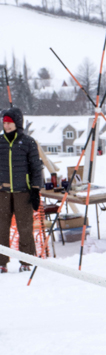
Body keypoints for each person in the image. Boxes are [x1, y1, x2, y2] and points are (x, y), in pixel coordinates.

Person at [0, 107, 43, 274]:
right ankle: (2, 262)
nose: (7, 126)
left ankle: (26, 261)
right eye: (4, 123)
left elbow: (36, 168)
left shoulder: (28, 142)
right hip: (2, 192)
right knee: (1, 228)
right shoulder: (0, 142)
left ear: (17, 123)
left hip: (23, 192)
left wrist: (35, 189)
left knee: (24, 228)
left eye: (10, 123)